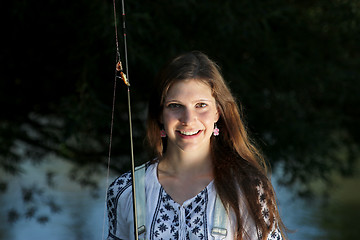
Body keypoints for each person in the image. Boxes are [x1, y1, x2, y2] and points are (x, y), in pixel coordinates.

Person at [107, 51, 287, 240]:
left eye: (201, 105)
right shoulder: (126, 190)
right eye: (175, 105)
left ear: (218, 112)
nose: (188, 120)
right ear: (160, 114)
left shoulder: (248, 189)